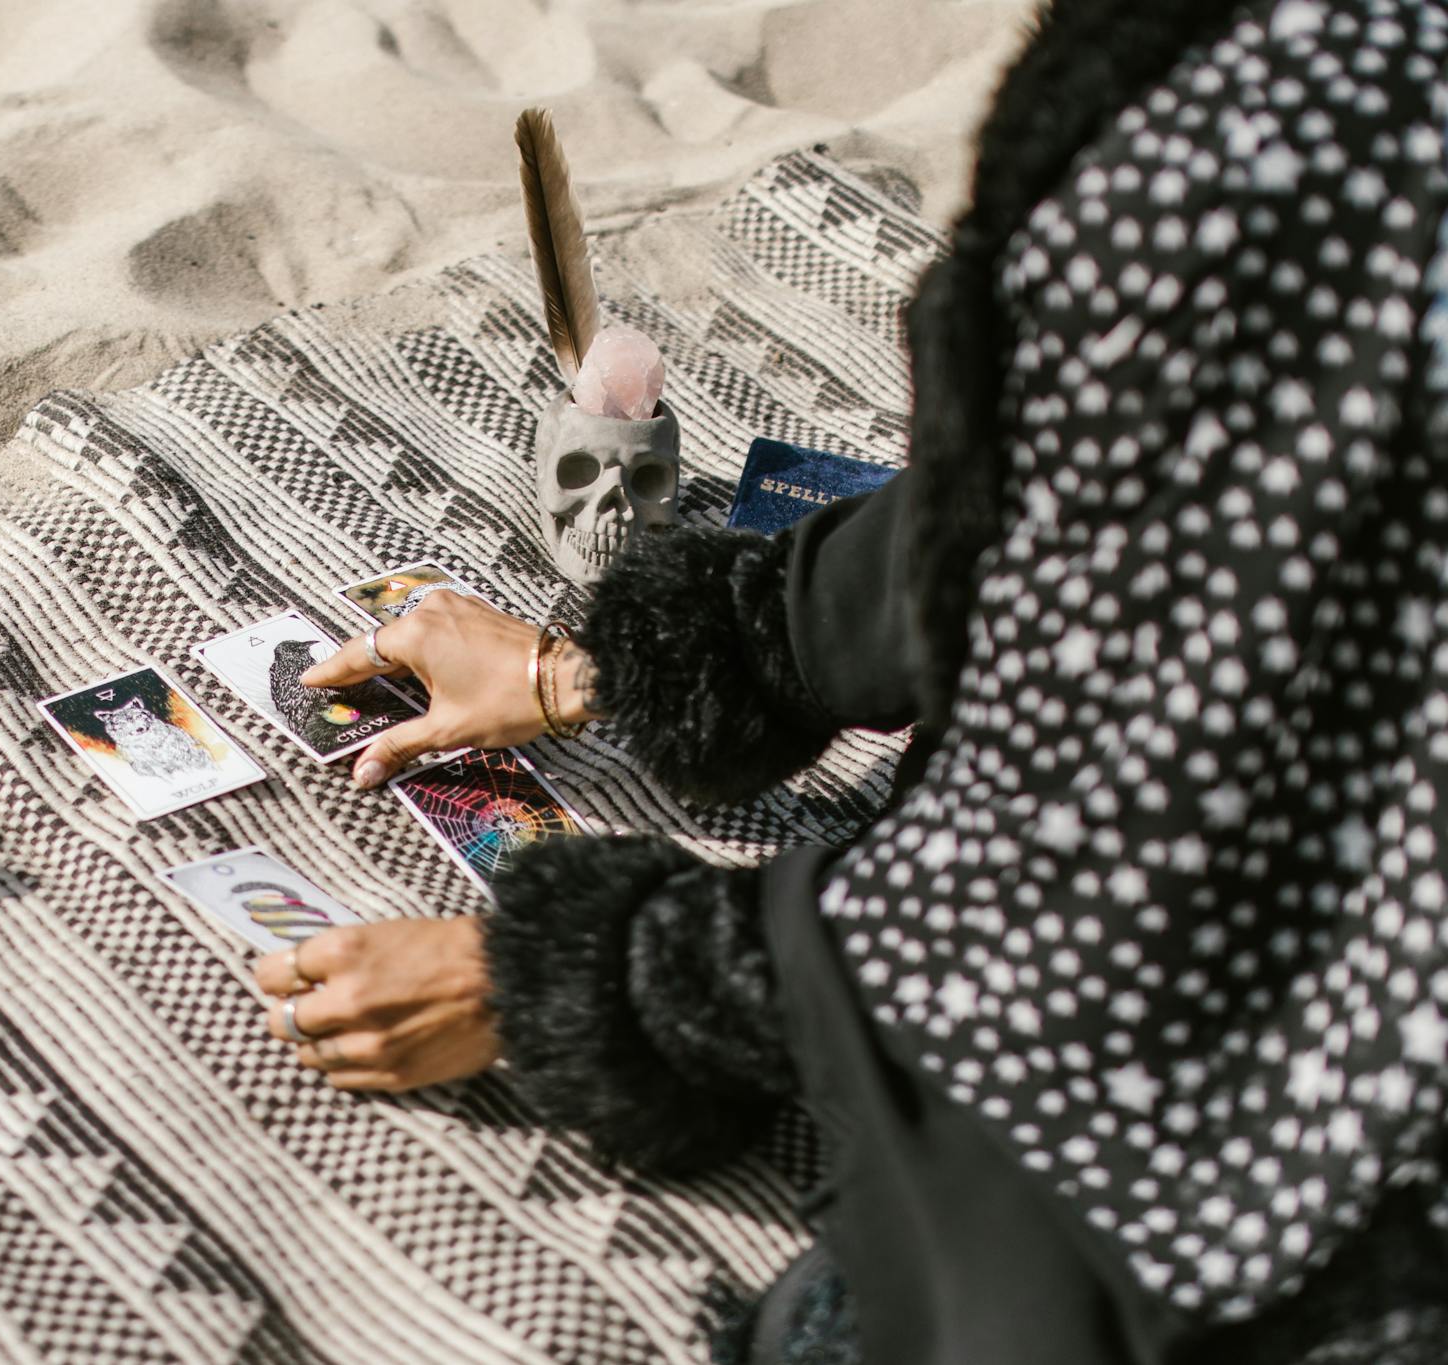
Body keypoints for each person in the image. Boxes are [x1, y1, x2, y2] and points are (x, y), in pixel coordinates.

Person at [251, 0, 1448, 1360]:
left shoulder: (1303, 138)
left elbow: (1123, 934)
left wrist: (583, 980)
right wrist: (609, 667)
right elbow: (1074, 501)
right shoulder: (1317, 111)